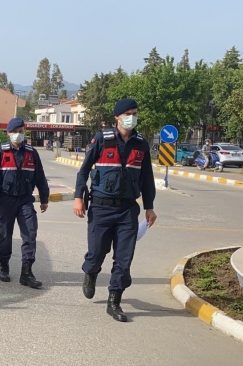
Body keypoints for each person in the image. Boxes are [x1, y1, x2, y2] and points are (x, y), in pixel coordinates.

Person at [73, 98, 157, 322]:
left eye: (135, 113)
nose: (133, 117)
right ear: (118, 117)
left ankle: (114, 301)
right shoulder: (102, 139)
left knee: (124, 259)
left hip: (128, 210)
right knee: (97, 253)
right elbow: (83, 172)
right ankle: (90, 272)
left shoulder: (141, 143)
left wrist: (149, 207)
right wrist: (78, 198)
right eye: (128, 113)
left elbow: (147, 178)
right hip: (101, 207)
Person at [0, 117, 50, 289]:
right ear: (8, 134)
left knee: (30, 232)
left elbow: (40, 177)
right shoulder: (1, 152)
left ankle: (26, 272)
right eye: (15, 132)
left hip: (25, 200)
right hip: (5, 199)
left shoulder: (31, 153)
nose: (18, 135)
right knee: (4, 234)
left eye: (21, 131)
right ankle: (4, 265)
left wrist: (44, 198)